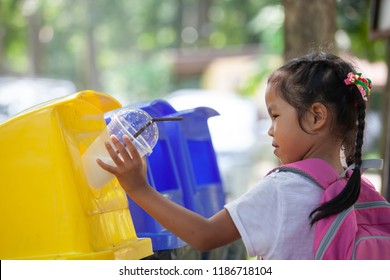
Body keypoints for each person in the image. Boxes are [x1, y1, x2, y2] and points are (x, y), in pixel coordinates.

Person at [96, 52, 379, 259]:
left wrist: (138, 187)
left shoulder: (284, 188)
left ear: (316, 116)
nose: (270, 131)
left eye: (276, 116)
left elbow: (204, 235)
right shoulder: (356, 188)